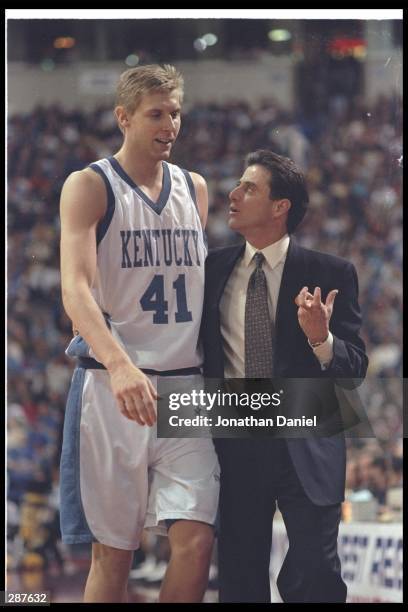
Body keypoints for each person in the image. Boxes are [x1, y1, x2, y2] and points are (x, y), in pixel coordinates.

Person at [59, 64, 220, 603]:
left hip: (185, 387)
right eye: (156, 113)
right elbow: (76, 290)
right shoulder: (90, 185)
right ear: (123, 117)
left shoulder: (194, 189)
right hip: (114, 389)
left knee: (197, 541)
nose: (170, 124)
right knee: (115, 557)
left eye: (175, 113)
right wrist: (119, 363)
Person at [201, 149, 368, 603]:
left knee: (315, 574)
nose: (233, 194)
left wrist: (322, 340)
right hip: (235, 441)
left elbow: (354, 369)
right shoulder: (210, 269)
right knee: (238, 578)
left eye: (248, 188)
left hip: (308, 442)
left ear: (280, 207)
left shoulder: (330, 272)